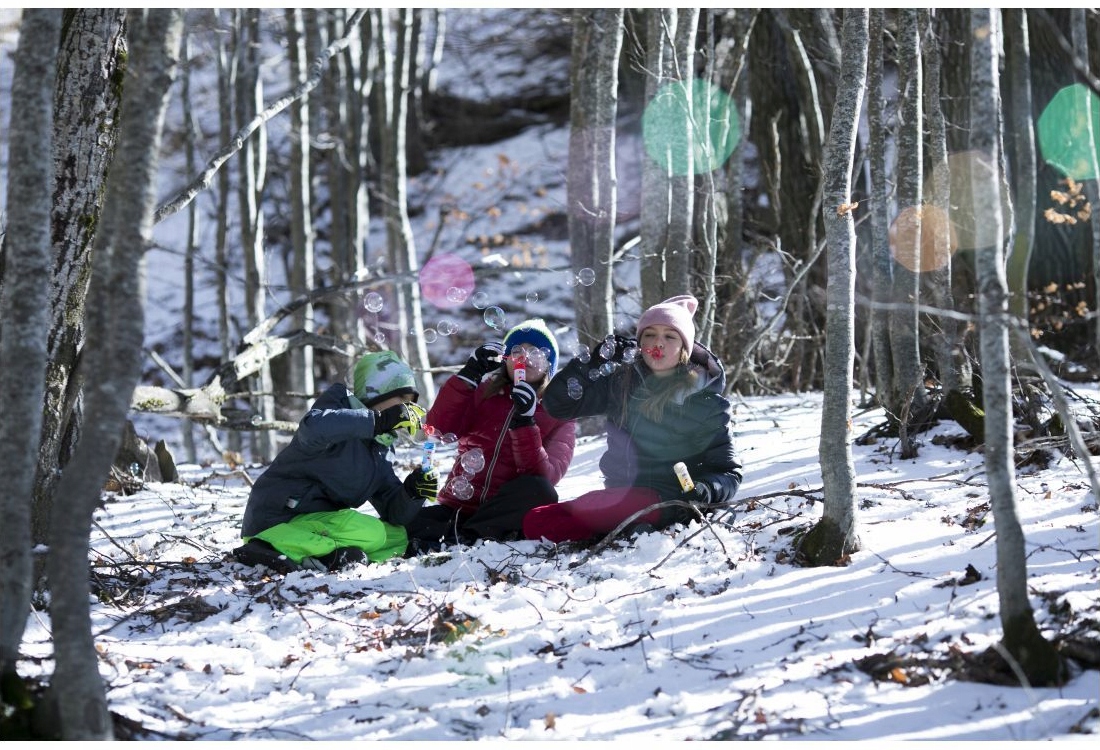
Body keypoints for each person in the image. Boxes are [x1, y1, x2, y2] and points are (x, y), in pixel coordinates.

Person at [523, 295, 742, 543]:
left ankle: (632, 529)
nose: (658, 343)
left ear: (684, 348)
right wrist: (593, 362)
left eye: (670, 336)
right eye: (650, 335)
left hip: (672, 501)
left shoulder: (707, 403)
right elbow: (557, 404)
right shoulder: (621, 384)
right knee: (535, 519)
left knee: (551, 522)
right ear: (640, 342)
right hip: (621, 495)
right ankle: (629, 529)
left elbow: (728, 473)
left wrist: (704, 491)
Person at [233, 350, 439, 573]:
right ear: (377, 391)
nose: (408, 408)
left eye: (411, 402)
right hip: (277, 519)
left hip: (321, 525)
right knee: (371, 531)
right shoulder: (337, 406)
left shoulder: (380, 449)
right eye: (402, 398)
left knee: (398, 535)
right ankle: (266, 546)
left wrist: (412, 492)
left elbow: (393, 511)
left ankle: (332, 557)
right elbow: (314, 429)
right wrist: (378, 421)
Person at [404, 319, 576, 553]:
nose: (524, 358)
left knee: (541, 491)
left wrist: (525, 423)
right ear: (505, 361)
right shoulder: (483, 392)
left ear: (549, 365)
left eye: (535, 352)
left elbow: (547, 475)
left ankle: (467, 536)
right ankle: (466, 536)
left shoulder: (559, 414)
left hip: (502, 511)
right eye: (517, 351)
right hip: (458, 506)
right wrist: (467, 376)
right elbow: (438, 428)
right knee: (407, 524)